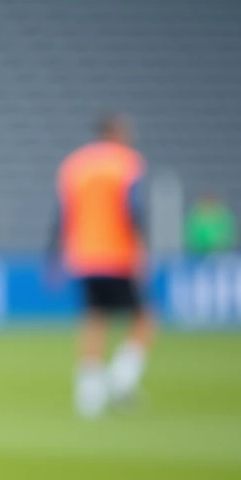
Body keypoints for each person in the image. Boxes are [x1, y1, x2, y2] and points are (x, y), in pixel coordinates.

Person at [49, 113, 155, 418]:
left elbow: (63, 215)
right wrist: (141, 249)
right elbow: (132, 209)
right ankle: (121, 376)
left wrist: (55, 257)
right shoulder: (127, 163)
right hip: (118, 254)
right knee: (145, 319)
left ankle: (89, 393)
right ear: (115, 132)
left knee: (94, 320)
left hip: (82, 254)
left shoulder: (74, 165)